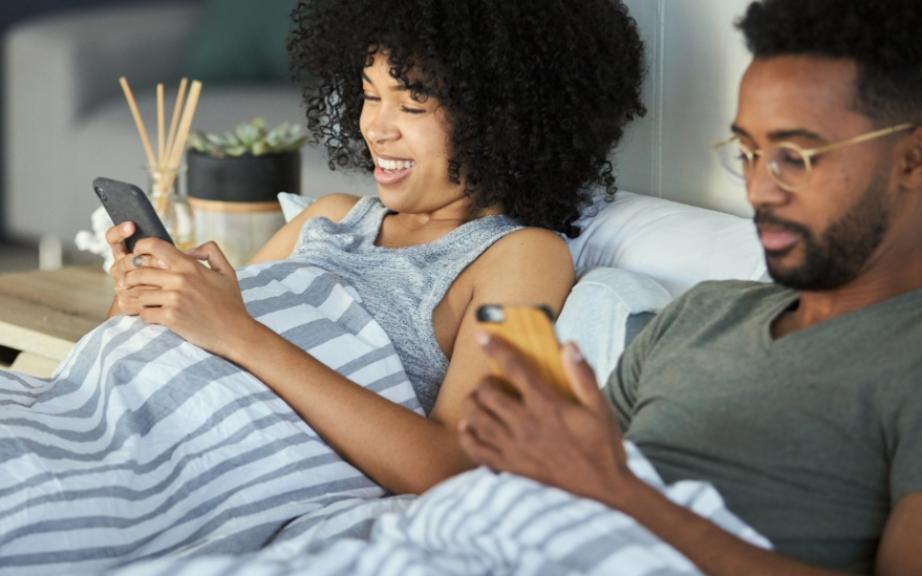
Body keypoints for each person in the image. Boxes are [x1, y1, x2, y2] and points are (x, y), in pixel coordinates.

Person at [458, 0, 922, 574]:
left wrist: (621, 492)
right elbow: (571, 497)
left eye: (795, 157)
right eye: (749, 153)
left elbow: (605, 485)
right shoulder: (700, 314)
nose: (760, 189)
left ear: (912, 157)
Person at [100, 0, 645, 496]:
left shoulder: (521, 257)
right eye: (369, 95)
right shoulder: (329, 214)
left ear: (505, 116)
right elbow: (201, 338)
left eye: (413, 104)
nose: (375, 128)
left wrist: (238, 332)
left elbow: (452, 467)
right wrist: (142, 302)